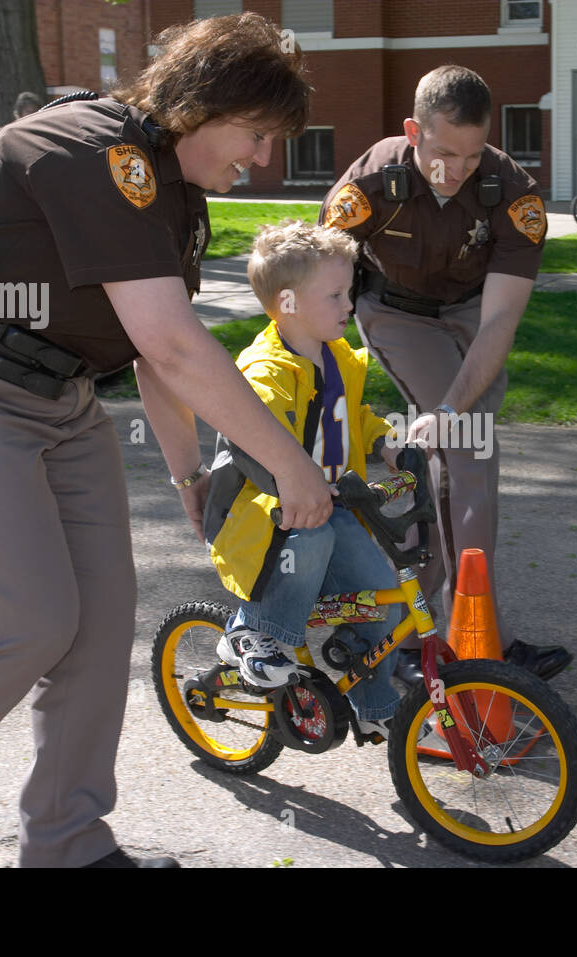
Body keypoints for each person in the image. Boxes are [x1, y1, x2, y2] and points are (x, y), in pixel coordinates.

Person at [0, 13, 331, 869]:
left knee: (101, 619)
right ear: (199, 104)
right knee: (29, 617)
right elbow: (175, 344)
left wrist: (190, 474)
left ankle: (67, 846)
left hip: (62, 396)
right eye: (256, 134)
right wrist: (290, 464)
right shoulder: (90, 148)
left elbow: (158, 357)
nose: (261, 158)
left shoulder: (175, 196)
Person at [319, 65, 571, 687]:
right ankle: (484, 646)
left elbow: (499, 323)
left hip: (470, 316)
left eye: (472, 153)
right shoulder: (371, 181)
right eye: (442, 153)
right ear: (412, 131)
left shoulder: (514, 195)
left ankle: (409, 629)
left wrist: (452, 411)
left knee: (453, 454)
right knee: (471, 459)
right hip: (397, 314)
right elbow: (313, 273)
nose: (455, 169)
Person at [201, 221, 403, 737]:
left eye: (349, 291)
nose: (349, 304)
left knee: (384, 600)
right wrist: (296, 483)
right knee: (309, 538)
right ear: (288, 303)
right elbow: (252, 440)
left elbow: (351, 415)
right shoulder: (265, 370)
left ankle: (375, 705)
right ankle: (253, 633)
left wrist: (385, 442)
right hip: (272, 510)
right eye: (335, 294)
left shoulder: (334, 356)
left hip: (335, 503)